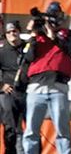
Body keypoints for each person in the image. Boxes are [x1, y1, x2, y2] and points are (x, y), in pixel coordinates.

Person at [21, 2, 71, 154]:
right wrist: (33, 34)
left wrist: (52, 34)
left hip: (58, 87)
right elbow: (29, 56)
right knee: (31, 130)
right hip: (37, 88)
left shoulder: (67, 34)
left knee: (63, 130)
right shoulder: (38, 37)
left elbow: (68, 48)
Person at [0, 21, 24, 154]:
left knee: (31, 127)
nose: (12, 34)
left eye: (14, 31)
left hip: (26, 92)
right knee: (10, 125)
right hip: (8, 93)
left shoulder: (28, 48)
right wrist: (1, 85)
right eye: (8, 32)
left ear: (19, 32)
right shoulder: (2, 51)